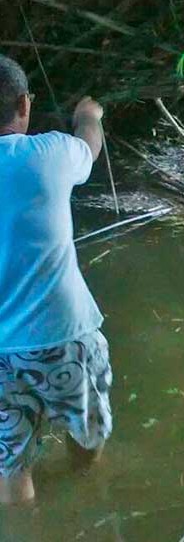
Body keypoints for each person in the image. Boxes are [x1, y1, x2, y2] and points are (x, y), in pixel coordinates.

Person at [0, 54, 112, 504]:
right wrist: (89, 115)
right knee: (86, 431)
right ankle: (86, 500)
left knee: (9, 462)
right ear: (24, 104)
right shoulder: (49, 154)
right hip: (64, 337)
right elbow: (88, 145)